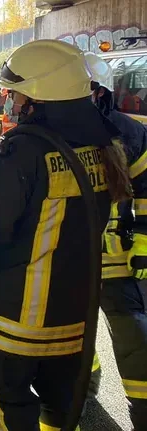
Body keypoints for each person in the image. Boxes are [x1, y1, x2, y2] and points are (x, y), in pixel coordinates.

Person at [0, 39, 132, 430]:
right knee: (61, 409)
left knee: (7, 402)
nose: (9, 101)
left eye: (15, 94)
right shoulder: (101, 149)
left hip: (18, 318)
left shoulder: (24, 151)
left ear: (37, 99)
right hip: (72, 317)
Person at [84, 52, 147, 431]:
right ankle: (84, 386)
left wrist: (142, 245)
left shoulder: (130, 133)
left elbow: (146, 192)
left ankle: (142, 412)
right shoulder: (48, 130)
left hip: (120, 260)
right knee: (75, 332)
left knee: (134, 341)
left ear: (98, 91)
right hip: (71, 260)